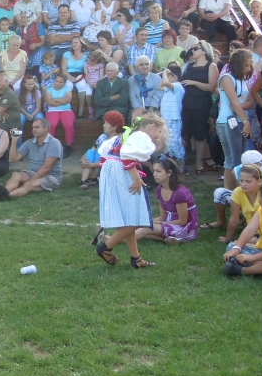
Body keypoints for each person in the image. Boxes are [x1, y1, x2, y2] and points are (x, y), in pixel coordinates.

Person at [94, 113, 167, 269]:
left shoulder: (129, 134)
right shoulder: (141, 136)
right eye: (158, 132)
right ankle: (106, 246)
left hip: (113, 170)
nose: (157, 136)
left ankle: (136, 258)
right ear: (152, 127)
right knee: (137, 218)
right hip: (121, 171)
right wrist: (134, 178)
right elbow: (127, 157)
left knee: (129, 216)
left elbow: (104, 156)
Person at [0, 117, 63, 200]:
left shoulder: (54, 143)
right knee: (16, 175)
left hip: (50, 176)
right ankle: (3, 192)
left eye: (37, 127)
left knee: (28, 185)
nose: (33, 129)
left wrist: (31, 180)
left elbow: (46, 168)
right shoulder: (30, 143)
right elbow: (12, 159)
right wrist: (14, 141)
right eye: (33, 127)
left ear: (46, 128)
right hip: (32, 172)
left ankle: (4, 196)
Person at [134, 158, 198, 245]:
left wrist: (157, 223)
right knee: (142, 225)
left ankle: (113, 240)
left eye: (158, 171)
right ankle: (172, 240)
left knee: (147, 229)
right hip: (169, 223)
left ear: (169, 173)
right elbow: (162, 216)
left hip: (184, 228)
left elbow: (182, 221)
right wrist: (150, 221)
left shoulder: (180, 192)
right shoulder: (159, 189)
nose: (154, 174)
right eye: (154, 171)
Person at [215, 49, 253, 190]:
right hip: (228, 122)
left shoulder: (243, 80)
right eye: (246, 65)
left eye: (250, 65)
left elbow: (249, 102)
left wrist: (240, 107)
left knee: (234, 160)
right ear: (238, 64)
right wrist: (245, 122)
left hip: (239, 120)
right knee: (235, 161)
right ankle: (236, 194)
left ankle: (230, 194)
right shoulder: (226, 78)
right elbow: (234, 102)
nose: (249, 69)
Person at [180, 40, 220, 174]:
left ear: (203, 50)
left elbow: (211, 87)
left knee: (200, 134)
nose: (192, 51)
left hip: (202, 103)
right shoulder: (189, 66)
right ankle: (178, 162)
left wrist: (194, 82)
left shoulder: (211, 66)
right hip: (187, 102)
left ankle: (199, 164)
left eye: (195, 48)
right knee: (185, 133)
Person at [222, 181, 262, 277]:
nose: (258, 199)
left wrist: (252, 258)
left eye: (260, 197)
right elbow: (249, 230)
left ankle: (243, 270)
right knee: (232, 246)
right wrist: (236, 249)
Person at [80, 111, 124, 190]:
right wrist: (83, 159)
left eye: (106, 124)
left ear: (115, 126)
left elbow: (111, 159)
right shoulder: (103, 136)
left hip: (110, 164)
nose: (103, 126)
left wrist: (91, 165)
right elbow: (92, 149)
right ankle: (84, 180)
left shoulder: (120, 140)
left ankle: (93, 178)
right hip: (97, 162)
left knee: (100, 154)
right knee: (91, 152)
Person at [159, 66, 186, 170]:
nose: (166, 77)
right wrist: (165, 74)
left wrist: (165, 72)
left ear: (175, 77)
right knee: (167, 142)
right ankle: (172, 165)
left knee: (175, 142)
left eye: (169, 76)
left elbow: (165, 83)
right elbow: (160, 86)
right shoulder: (168, 89)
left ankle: (181, 165)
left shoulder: (178, 86)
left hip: (173, 119)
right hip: (165, 119)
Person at [44, 74, 75, 157]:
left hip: (66, 110)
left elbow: (69, 99)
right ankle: (50, 146)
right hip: (52, 111)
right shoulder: (49, 90)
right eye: (57, 81)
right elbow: (49, 102)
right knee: (52, 124)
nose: (58, 83)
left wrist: (56, 100)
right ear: (54, 81)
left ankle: (68, 146)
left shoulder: (67, 89)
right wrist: (63, 101)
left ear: (64, 83)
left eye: (61, 82)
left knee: (68, 124)